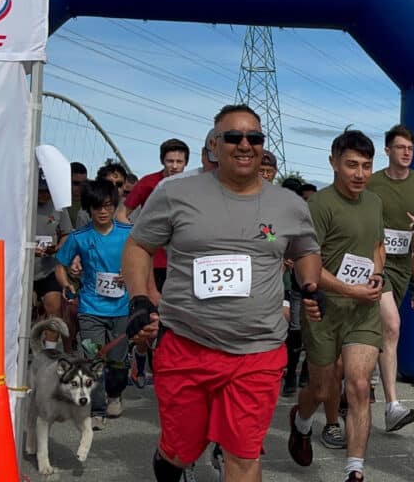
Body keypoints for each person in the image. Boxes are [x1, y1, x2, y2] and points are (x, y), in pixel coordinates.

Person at [123, 104, 323, 482]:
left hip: (258, 351)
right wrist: (140, 298)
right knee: (183, 450)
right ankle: (171, 459)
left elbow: (306, 250)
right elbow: (138, 246)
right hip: (187, 344)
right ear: (215, 145)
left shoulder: (290, 204)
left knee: (244, 455)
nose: (245, 145)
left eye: (254, 138)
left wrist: (310, 284)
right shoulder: (175, 193)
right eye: (234, 137)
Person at [289, 129, 385, 482]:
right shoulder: (319, 206)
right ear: (333, 163)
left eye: (366, 166)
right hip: (325, 310)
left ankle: (354, 470)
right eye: (351, 165)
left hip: (363, 311)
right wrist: (349, 289)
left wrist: (376, 274)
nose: (360, 174)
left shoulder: (374, 202)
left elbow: (377, 246)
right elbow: (307, 264)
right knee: (323, 389)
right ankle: (300, 423)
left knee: (359, 385)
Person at [366, 124, 414, 432]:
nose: (406, 152)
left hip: (409, 264)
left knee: (379, 332)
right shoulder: (373, 183)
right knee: (392, 327)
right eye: (400, 147)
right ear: (388, 151)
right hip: (377, 264)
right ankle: (392, 405)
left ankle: (354, 382)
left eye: (410, 148)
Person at [55, 179, 132, 430]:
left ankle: (115, 395)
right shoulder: (79, 236)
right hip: (90, 308)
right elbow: (60, 264)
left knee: (118, 362)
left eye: (108, 206)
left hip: (121, 307)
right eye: (97, 207)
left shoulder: (127, 233)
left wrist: (129, 272)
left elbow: (144, 261)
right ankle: (96, 410)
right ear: (88, 209)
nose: (102, 211)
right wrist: (66, 283)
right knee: (92, 359)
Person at [117, 138, 190, 296]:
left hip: (182, 259)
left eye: (179, 161)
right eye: (170, 161)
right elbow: (121, 215)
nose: (175, 166)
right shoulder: (148, 183)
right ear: (162, 161)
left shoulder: (193, 184)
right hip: (152, 260)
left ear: (186, 163)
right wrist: (139, 236)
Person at [33, 172, 73, 350]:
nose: (44, 195)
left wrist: (58, 247)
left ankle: (49, 351)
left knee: (54, 308)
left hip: (48, 267)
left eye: (47, 191)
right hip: (23, 269)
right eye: (41, 190)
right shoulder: (22, 202)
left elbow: (66, 233)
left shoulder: (59, 207)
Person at [68, 162, 88, 227]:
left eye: (84, 183)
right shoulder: (56, 202)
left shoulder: (93, 202)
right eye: (76, 183)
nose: (81, 187)